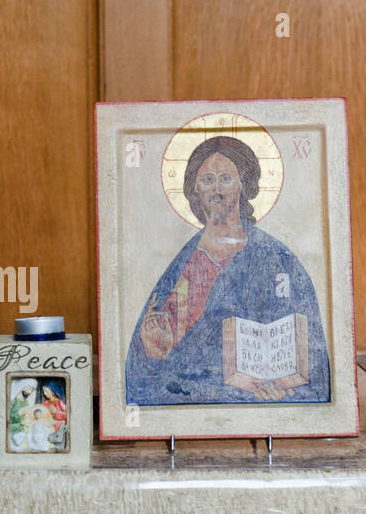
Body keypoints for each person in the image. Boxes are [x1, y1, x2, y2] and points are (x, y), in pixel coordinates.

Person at [126, 135, 329, 405]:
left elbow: (308, 359)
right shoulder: (180, 264)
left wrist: (280, 383)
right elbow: (140, 375)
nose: (216, 189)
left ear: (243, 186)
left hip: (251, 402)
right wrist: (152, 352)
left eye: (226, 179)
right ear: (195, 188)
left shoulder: (277, 259)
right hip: (185, 402)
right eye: (208, 179)